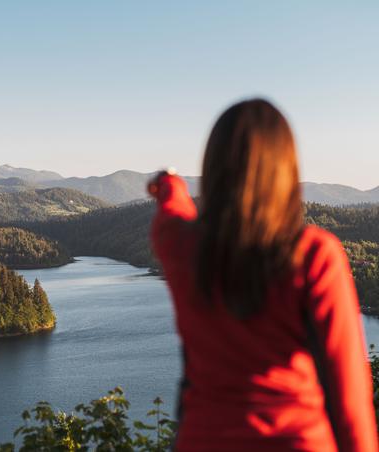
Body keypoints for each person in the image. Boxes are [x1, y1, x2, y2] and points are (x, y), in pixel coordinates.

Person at [148, 98, 378, 451]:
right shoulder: (314, 255)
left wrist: (169, 183)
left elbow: (172, 211)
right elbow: (350, 394)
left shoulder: (182, 247)